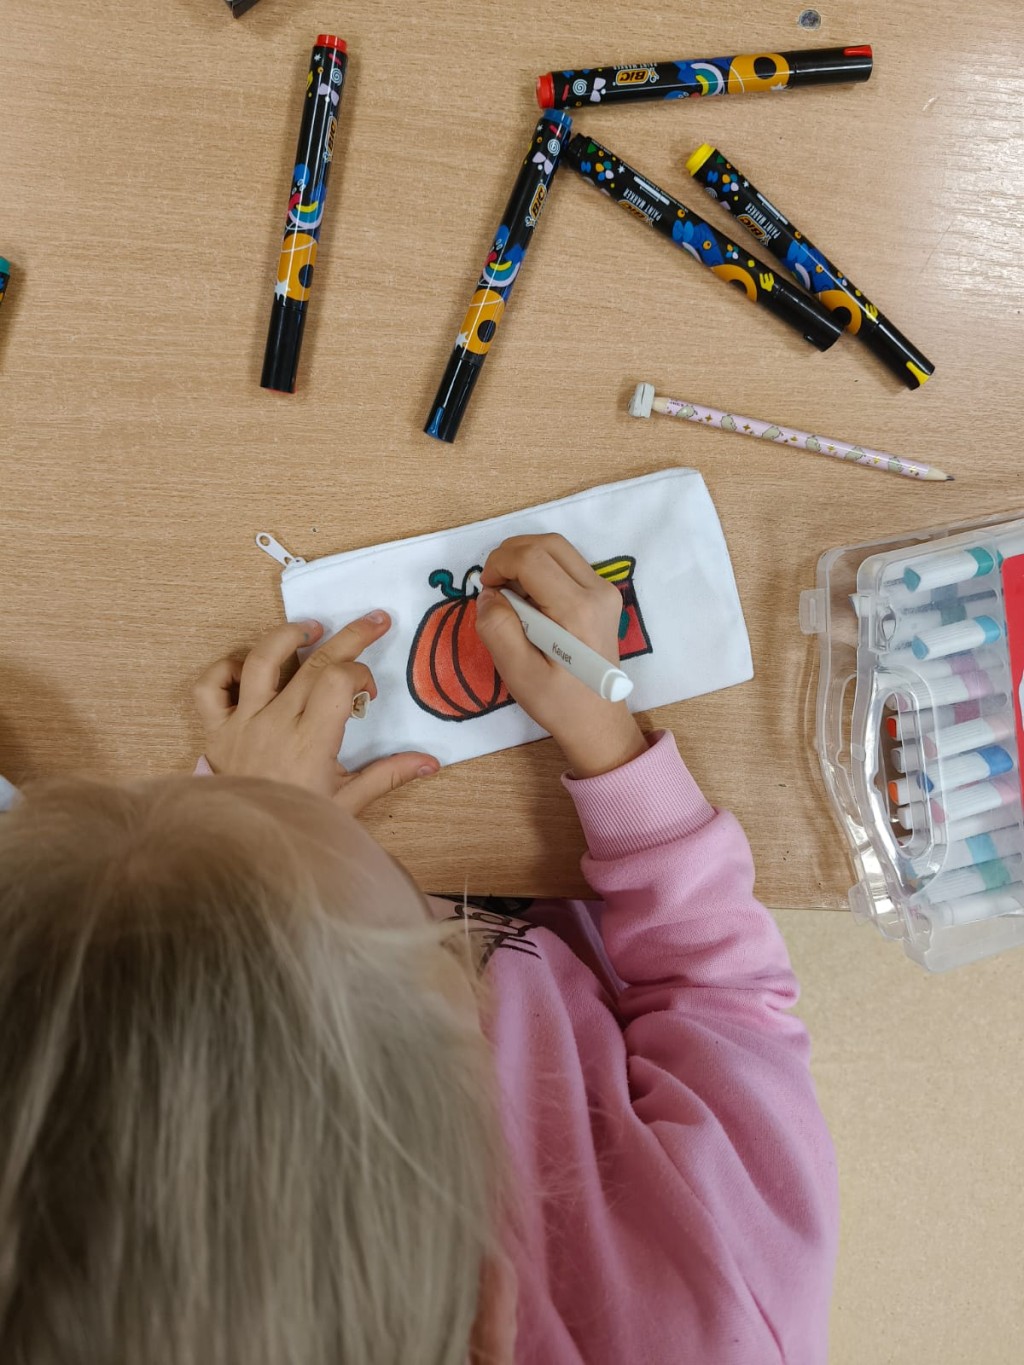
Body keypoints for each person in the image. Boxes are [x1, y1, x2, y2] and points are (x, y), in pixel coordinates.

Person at [0, 534, 837, 1364]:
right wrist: (616, 758)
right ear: (485, 1314)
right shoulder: (723, 1315)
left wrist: (243, 831)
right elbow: (723, 999)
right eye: (432, 956)